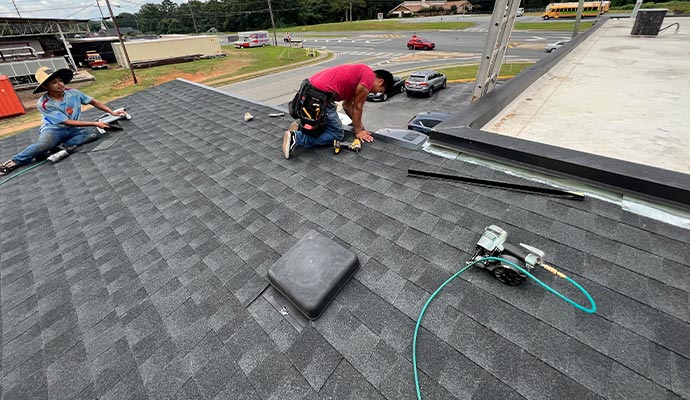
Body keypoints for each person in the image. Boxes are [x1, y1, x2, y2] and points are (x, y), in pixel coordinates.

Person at [0, 67, 127, 175]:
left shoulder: (74, 93)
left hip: (72, 129)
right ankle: (14, 161)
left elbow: (93, 101)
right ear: (45, 86)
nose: (60, 84)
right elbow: (66, 122)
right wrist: (95, 122)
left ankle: (60, 146)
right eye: (54, 82)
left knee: (93, 133)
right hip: (53, 130)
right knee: (44, 144)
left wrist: (112, 112)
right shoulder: (44, 104)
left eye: (60, 80)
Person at [282, 64, 393, 159]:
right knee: (336, 134)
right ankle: (296, 137)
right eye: (380, 90)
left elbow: (347, 106)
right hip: (319, 97)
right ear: (380, 81)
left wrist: (359, 128)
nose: (375, 94)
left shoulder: (360, 74)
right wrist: (359, 131)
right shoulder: (368, 78)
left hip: (310, 90)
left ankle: (300, 126)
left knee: (324, 127)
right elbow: (358, 107)